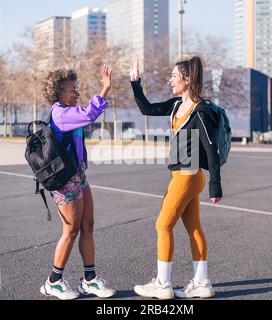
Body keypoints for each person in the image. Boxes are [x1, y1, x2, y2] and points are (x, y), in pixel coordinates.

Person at [130, 57, 222, 299]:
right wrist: (135, 82)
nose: (170, 80)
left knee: (163, 225)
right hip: (182, 174)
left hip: (188, 176)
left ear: (187, 79)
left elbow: (211, 148)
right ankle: (201, 283)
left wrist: (216, 185)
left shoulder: (199, 110)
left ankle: (163, 284)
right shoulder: (175, 105)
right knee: (193, 228)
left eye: (174, 76)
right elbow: (147, 109)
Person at [39, 65, 116, 300]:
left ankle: (90, 280)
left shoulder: (68, 111)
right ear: (59, 93)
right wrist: (104, 89)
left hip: (77, 174)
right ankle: (53, 281)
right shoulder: (60, 113)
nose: (77, 93)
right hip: (63, 179)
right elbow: (89, 114)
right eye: (73, 90)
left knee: (88, 225)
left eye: (77, 88)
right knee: (71, 230)